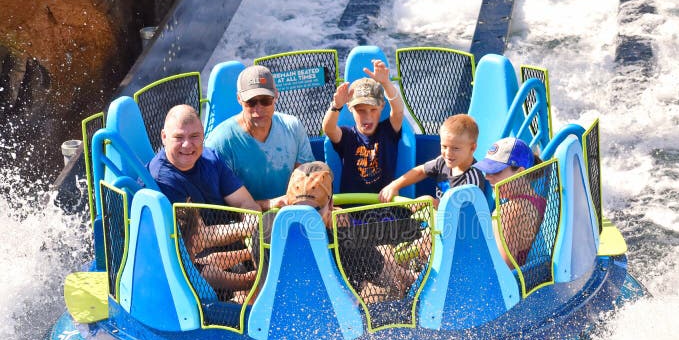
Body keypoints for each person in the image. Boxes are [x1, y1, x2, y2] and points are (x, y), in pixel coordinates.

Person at [148, 104, 261, 301]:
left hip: (224, 245)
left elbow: (247, 204)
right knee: (246, 293)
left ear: (203, 135)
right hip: (188, 261)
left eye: (194, 136)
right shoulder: (161, 178)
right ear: (164, 137)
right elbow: (199, 238)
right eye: (178, 137)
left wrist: (251, 230)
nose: (187, 145)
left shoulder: (210, 158)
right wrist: (248, 226)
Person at [273, 161, 415, 304]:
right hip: (339, 320)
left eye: (313, 212)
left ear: (286, 202)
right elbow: (392, 279)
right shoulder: (346, 241)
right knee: (388, 278)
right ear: (331, 204)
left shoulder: (265, 235)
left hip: (269, 321)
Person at [205, 64, 314, 207]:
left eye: (265, 100)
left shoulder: (293, 127)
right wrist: (268, 204)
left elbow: (306, 181)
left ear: (276, 96)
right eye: (251, 102)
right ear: (239, 99)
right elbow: (220, 207)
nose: (258, 109)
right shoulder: (219, 143)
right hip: (245, 224)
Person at [323, 59, 405, 193]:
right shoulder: (347, 136)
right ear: (350, 108)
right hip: (352, 209)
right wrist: (336, 106)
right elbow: (328, 128)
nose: (368, 116)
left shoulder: (388, 131)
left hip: (384, 207)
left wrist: (386, 83)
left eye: (373, 110)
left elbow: (398, 111)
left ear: (382, 106)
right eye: (361, 110)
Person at [378, 114, 485, 205]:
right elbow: (420, 171)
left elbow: (465, 212)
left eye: (455, 148)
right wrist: (394, 185)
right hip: (436, 219)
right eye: (444, 146)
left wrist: (431, 203)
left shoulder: (472, 178)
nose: (448, 153)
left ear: (472, 148)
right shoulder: (442, 161)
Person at [474, 137, 544, 269]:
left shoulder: (507, 212)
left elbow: (505, 270)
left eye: (496, 171)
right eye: (487, 171)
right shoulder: (541, 201)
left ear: (520, 172)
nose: (487, 177)